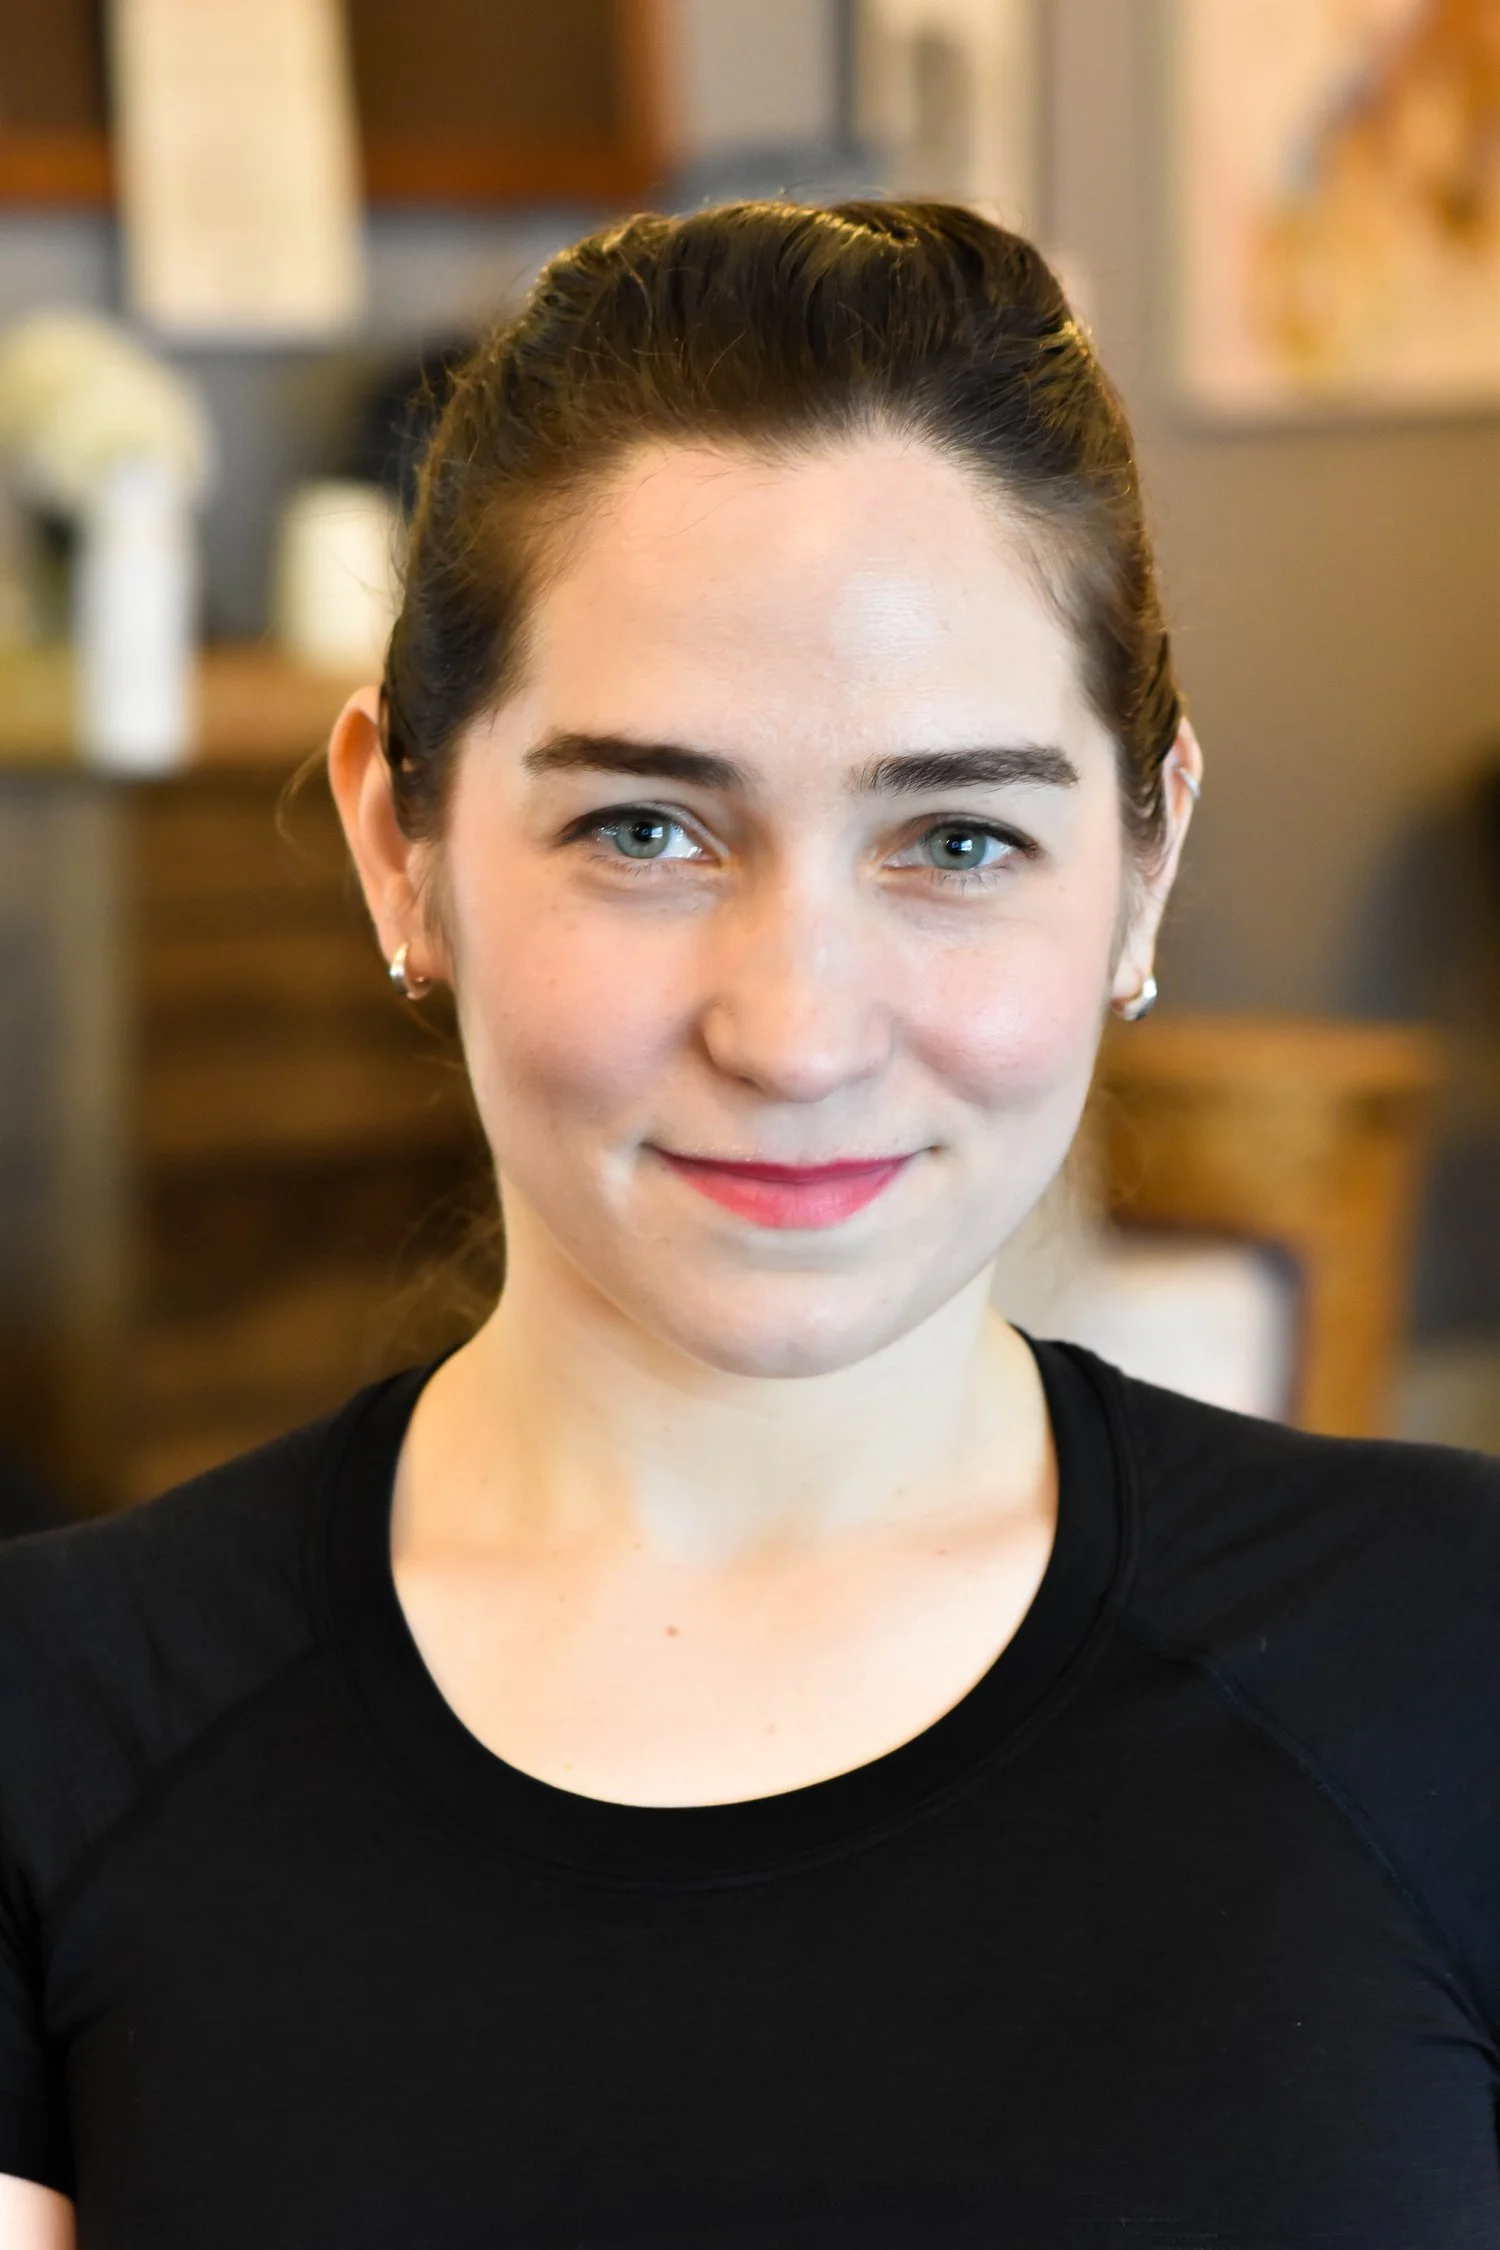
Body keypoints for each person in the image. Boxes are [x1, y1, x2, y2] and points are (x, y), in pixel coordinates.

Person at [0, 201, 1495, 2250]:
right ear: (400, 847)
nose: (795, 1030)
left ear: (1143, 871)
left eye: (958, 838)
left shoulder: (1456, 1660)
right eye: (646, 829)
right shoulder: (52, 1733)